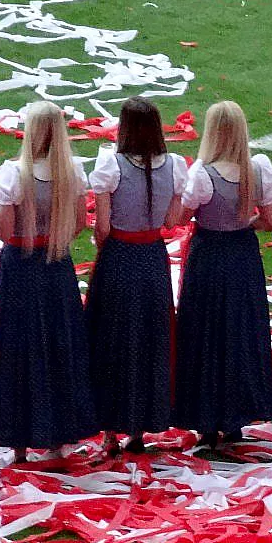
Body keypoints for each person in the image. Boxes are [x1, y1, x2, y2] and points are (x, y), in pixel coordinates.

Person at [0, 101, 95, 463]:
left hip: (21, 267)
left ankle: (18, 442)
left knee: (18, 350)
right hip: (57, 266)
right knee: (59, 345)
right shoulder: (72, 172)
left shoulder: (15, 174)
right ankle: (58, 437)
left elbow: (4, 229)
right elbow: (80, 221)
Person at [175, 101, 272, 449]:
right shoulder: (257, 170)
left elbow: (181, 216)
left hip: (209, 256)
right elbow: (270, 221)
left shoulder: (203, 174)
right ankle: (236, 418)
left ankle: (206, 418)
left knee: (204, 332)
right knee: (240, 332)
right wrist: (244, 224)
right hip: (242, 255)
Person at [87, 97, 188, 454]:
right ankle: (140, 429)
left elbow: (101, 227)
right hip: (151, 261)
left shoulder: (110, 166)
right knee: (150, 340)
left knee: (112, 341)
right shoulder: (175, 165)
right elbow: (172, 222)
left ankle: (111, 427)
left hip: (118, 258)